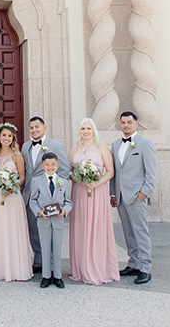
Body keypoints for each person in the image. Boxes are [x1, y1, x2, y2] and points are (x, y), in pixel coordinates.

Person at [68, 117, 120, 285]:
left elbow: (110, 171)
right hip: (80, 192)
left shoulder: (101, 148)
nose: (85, 131)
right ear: (80, 131)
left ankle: (98, 266)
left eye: (88, 129)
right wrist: (78, 180)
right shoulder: (75, 149)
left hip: (97, 192)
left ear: (94, 131)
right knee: (81, 227)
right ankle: (81, 267)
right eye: (83, 128)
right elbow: (70, 172)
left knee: (97, 227)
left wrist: (97, 183)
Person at [110, 111, 158, 285]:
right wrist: (113, 193)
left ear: (136, 124)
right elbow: (115, 171)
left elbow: (151, 173)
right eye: (123, 122)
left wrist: (143, 194)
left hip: (137, 196)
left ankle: (145, 268)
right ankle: (134, 263)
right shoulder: (115, 145)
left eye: (129, 122)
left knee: (140, 232)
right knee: (128, 232)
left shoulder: (146, 144)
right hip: (121, 196)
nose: (126, 125)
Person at [20, 116, 69, 275]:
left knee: (52, 230)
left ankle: (53, 265)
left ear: (44, 127)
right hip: (31, 195)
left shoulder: (56, 145)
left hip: (51, 196)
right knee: (33, 230)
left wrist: (58, 194)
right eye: (31, 128)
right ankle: (39, 260)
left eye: (37, 127)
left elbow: (64, 171)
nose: (34, 130)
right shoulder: (25, 146)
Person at [0, 122, 32, 282]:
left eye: (9, 136)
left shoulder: (16, 155)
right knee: (0, 230)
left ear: (13, 138)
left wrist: (11, 187)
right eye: (4, 135)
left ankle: (16, 269)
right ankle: (0, 268)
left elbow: (22, 177)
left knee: (13, 230)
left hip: (12, 196)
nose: (6, 138)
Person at [28, 152, 72, 289]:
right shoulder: (36, 181)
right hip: (44, 220)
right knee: (45, 248)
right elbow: (33, 200)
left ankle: (57, 276)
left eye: (53, 164)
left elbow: (68, 202)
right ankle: (46, 276)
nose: (50, 167)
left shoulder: (64, 182)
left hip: (58, 221)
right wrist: (39, 212)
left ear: (57, 166)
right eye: (47, 165)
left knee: (57, 248)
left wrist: (64, 211)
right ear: (42, 166)